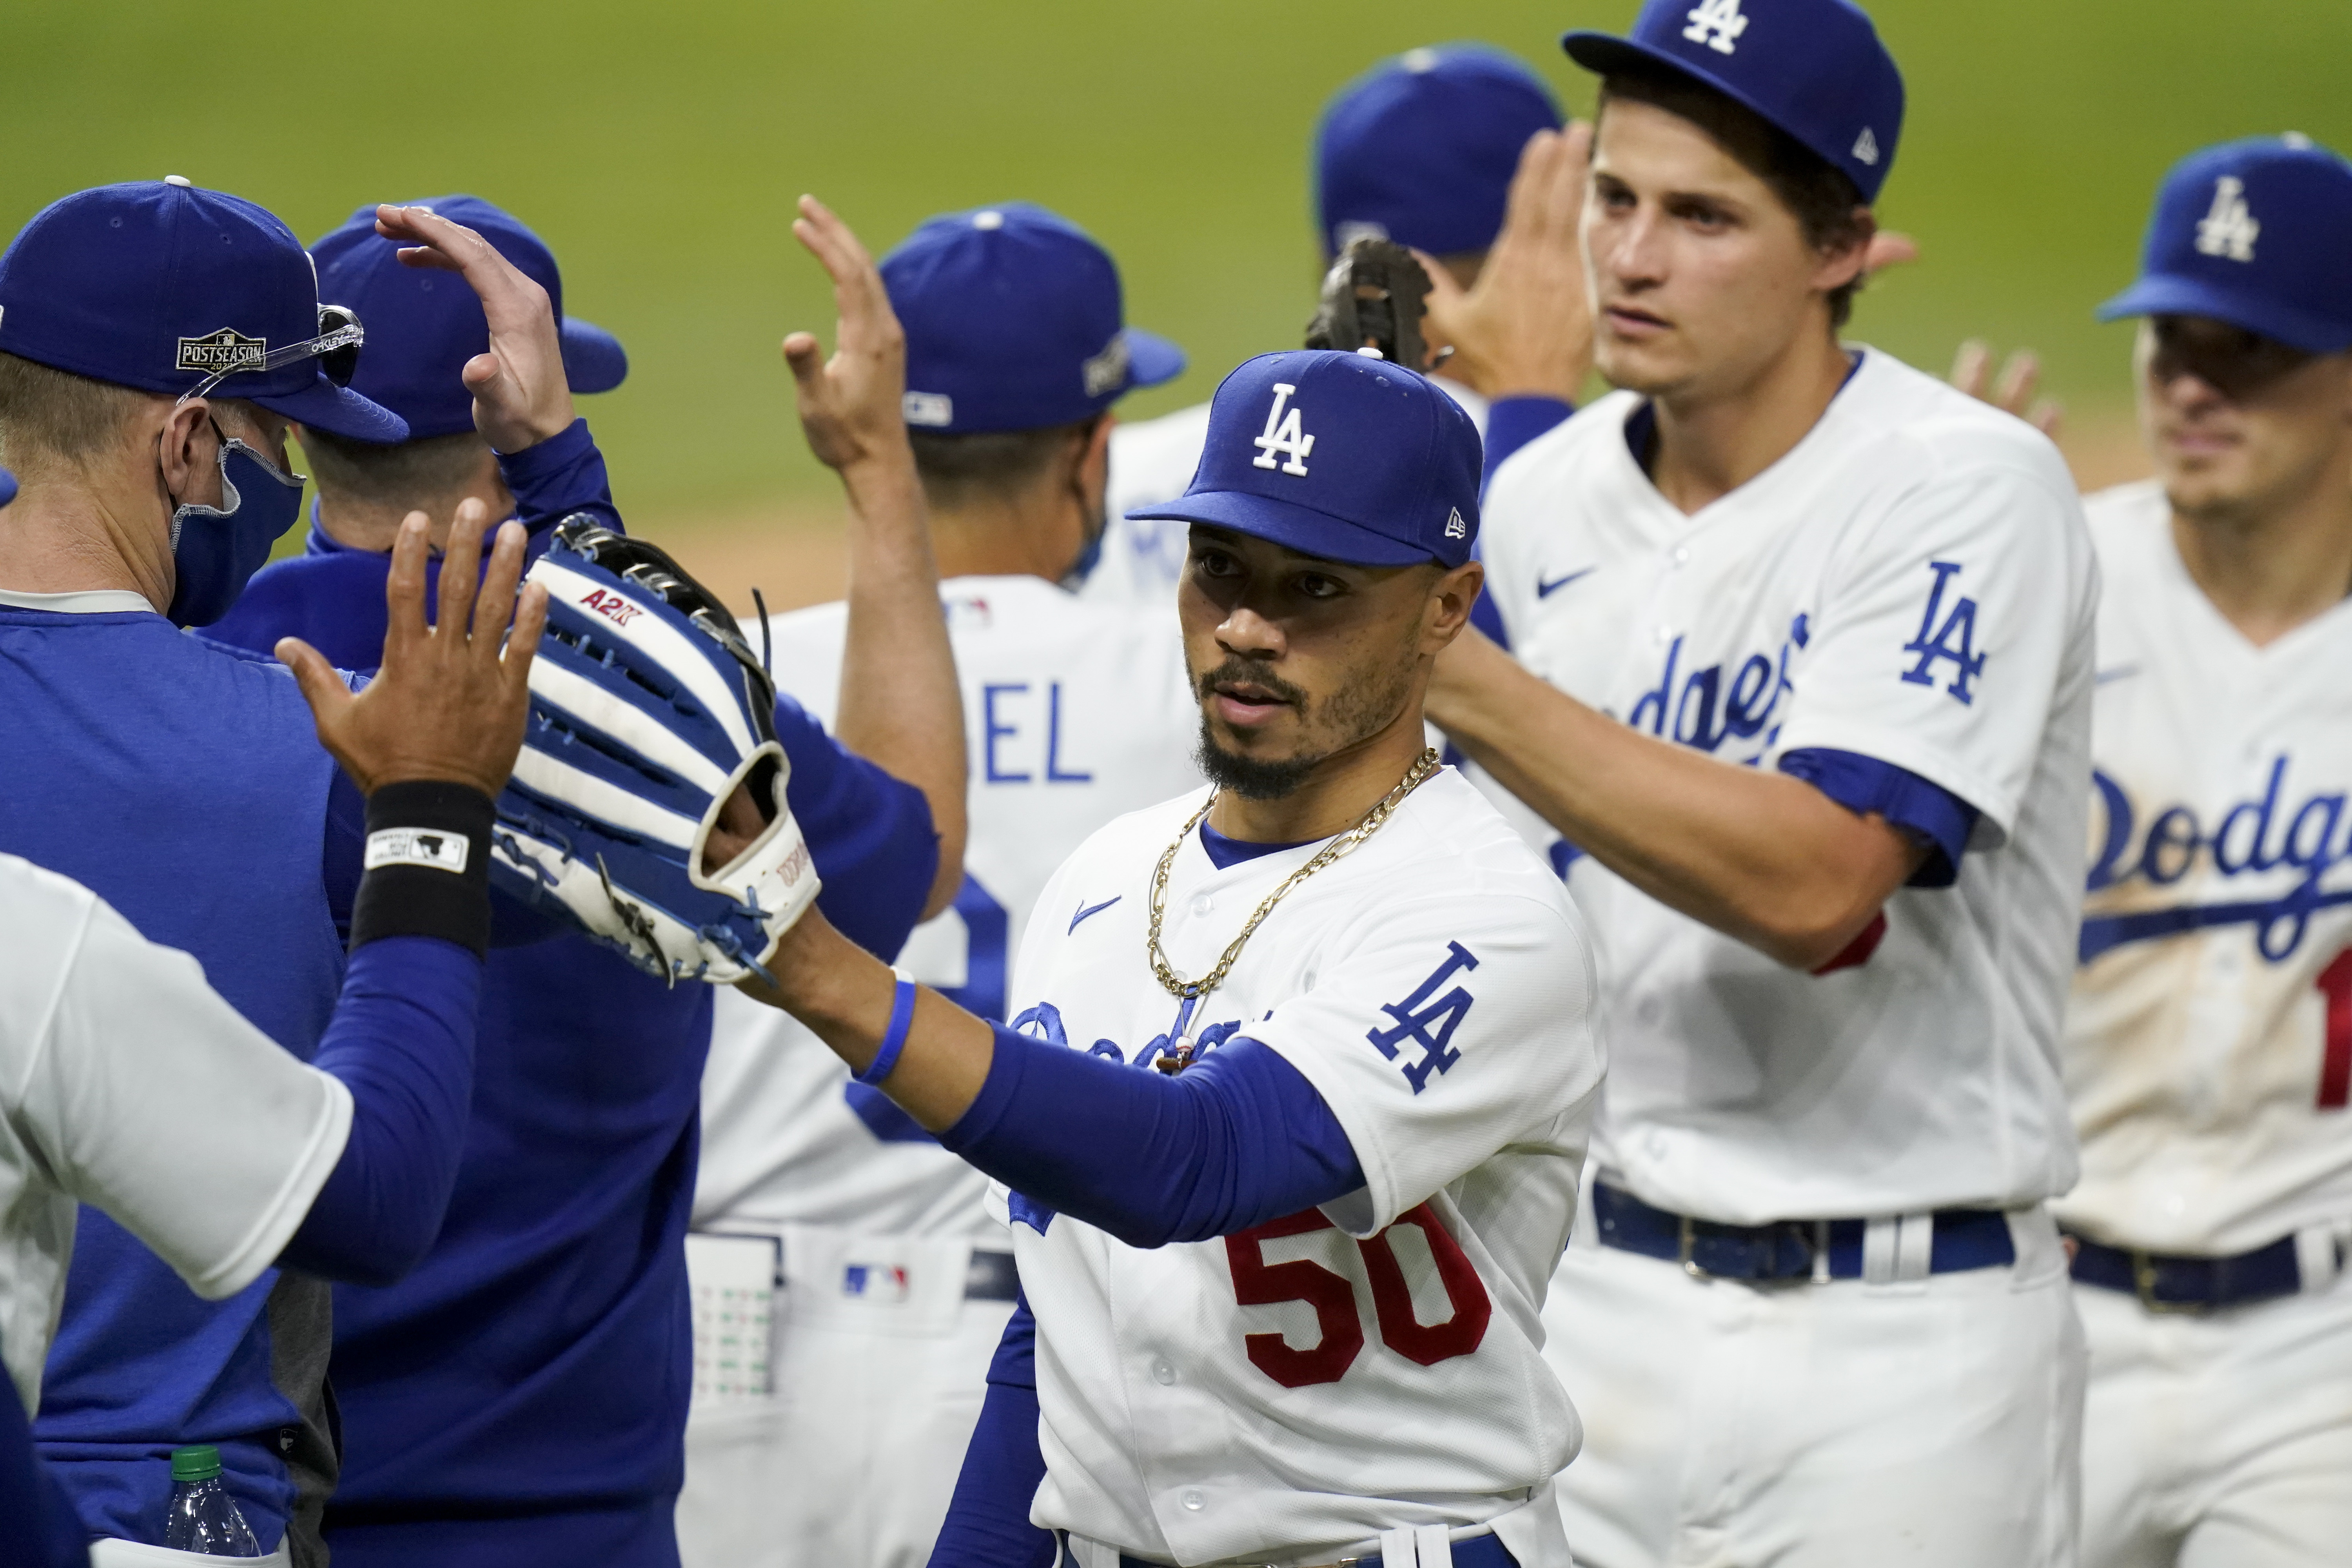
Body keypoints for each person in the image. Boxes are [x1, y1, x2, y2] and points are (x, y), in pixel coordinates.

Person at [686, 345, 1608, 1568]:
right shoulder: (1108, 875)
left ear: (1447, 607)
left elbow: (1193, 1162)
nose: (1244, 627)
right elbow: (1062, 1323)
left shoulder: (1487, 916)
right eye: (1219, 568)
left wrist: (820, 972)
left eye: (1315, 589)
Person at [194, 194, 965, 1568]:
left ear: (301, 427)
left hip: (255, 1498)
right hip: (572, 1518)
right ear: (519, 418)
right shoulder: (659, 707)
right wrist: (876, 474)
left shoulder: (189, 692)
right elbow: (911, 860)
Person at [1426, 2, 2100, 1563]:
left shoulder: (1960, 486)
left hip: (1901, 1358)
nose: (1633, 258)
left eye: (1704, 217)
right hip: (1584, 1309)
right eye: (1616, 198)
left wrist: (1451, 667)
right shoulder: (1535, 498)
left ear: (1840, 248)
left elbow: (1814, 884)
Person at [677, 202, 1201, 1568]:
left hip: (729, 1350)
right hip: (1023, 1366)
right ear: (1092, 452)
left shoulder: (732, 677)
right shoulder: (1199, 693)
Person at [0, 498, 537, 1561]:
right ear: (187, 443)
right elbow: (372, 1200)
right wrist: (430, 804)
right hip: (181, 1510)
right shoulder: (28, 942)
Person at [2060, 134, 2352, 1568]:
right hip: (2035, 1324)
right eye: (2174, 337)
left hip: (2323, 1363)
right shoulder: (2048, 585)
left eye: (2255, 347)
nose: (2192, 385)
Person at [1091, 43, 1588, 603]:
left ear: (1329, 264)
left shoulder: (1110, 476)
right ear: (1552, 254)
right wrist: (1534, 405)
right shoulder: (1569, 490)